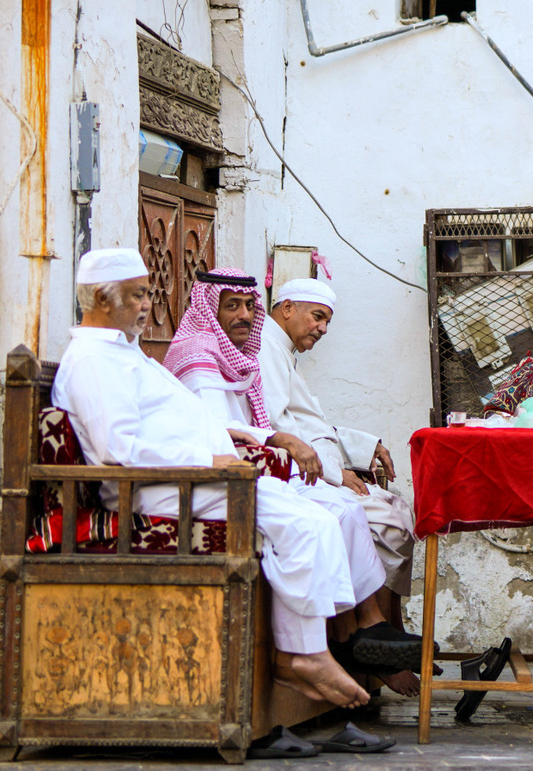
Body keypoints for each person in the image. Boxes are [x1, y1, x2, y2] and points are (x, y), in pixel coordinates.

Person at [52, 250, 421, 712]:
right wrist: (210, 457)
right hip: (162, 487)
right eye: (138, 294)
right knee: (305, 521)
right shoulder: (94, 361)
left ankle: (312, 650)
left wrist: (227, 438)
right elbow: (117, 450)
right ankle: (304, 654)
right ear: (104, 300)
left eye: (147, 293)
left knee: (320, 517)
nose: (148, 304)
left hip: (198, 476)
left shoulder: (123, 355)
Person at [163, 268, 422, 692]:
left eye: (249, 306)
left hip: (258, 465)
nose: (246, 316)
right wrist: (321, 465)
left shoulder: (240, 351)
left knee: (351, 512)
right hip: (215, 478)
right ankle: (330, 645)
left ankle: (370, 630)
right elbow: (227, 431)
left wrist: (346, 454)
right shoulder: (203, 352)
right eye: (233, 306)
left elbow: (290, 420)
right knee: (336, 516)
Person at [259, 278, 418, 606]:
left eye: (327, 321)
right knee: (390, 524)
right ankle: (374, 628)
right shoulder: (266, 347)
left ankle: (388, 628)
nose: (323, 329)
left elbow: (310, 422)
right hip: (301, 476)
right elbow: (279, 428)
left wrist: (365, 445)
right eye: (318, 317)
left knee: (399, 510)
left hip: (319, 467)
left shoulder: (283, 350)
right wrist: (336, 473)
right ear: (287, 308)